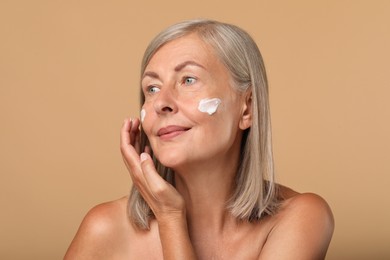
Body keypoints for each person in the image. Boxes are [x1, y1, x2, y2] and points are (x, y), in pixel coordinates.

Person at [64, 19, 334, 259]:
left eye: (188, 80)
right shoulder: (105, 229)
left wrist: (171, 219)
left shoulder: (300, 217)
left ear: (247, 108)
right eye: (152, 88)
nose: (161, 103)